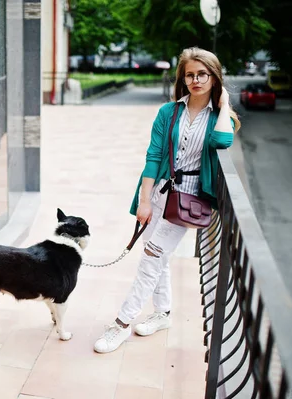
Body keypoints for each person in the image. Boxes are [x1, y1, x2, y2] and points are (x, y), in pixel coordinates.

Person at [93, 47, 241, 354]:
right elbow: (154, 156)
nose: (196, 80)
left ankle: (120, 324)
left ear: (214, 78)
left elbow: (222, 141)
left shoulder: (218, 116)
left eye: (203, 74)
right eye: (190, 74)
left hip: (190, 200)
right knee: (157, 259)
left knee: (151, 257)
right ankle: (163, 313)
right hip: (160, 192)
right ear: (182, 78)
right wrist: (144, 200)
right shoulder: (168, 112)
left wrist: (223, 103)